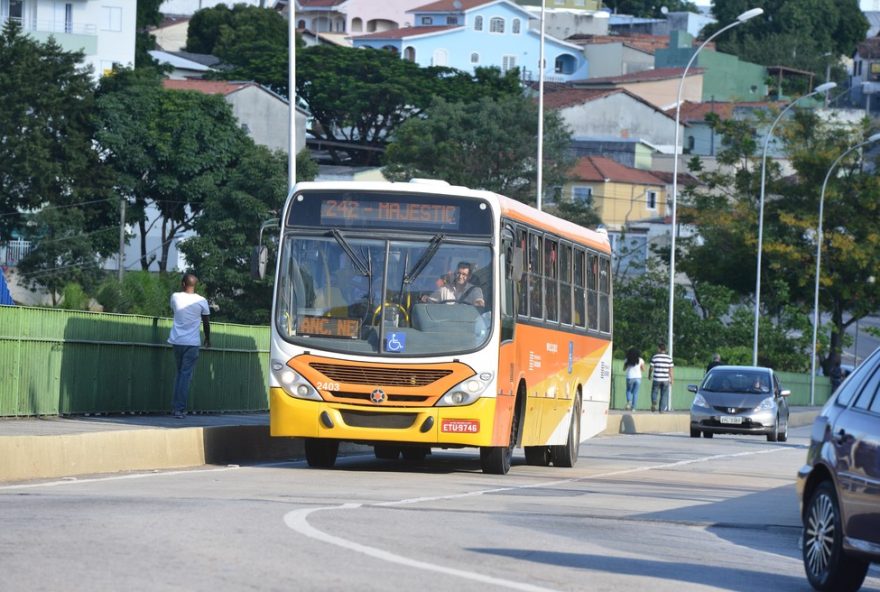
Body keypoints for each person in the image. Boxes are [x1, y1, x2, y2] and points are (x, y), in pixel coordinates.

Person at [168, 273, 211, 419]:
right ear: (195, 285)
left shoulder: (175, 297)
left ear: (183, 284)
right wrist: (207, 339)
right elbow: (206, 322)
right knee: (185, 376)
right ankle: (179, 409)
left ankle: (175, 407)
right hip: (192, 343)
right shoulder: (202, 301)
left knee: (179, 374)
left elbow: (174, 310)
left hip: (177, 341)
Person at [648, 341, 674, 413]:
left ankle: (654, 401)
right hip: (665, 379)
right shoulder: (669, 358)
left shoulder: (655, 357)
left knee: (654, 391)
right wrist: (672, 379)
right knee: (664, 394)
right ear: (665, 349)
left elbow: (651, 368)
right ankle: (662, 410)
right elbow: (670, 370)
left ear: (659, 349)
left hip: (657, 378)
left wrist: (649, 375)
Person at [623, 347, 645, 412]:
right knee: (635, 393)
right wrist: (640, 367)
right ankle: (634, 408)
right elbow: (643, 369)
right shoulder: (641, 360)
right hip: (638, 378)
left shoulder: (627, 359)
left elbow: (624, 369)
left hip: (630, 377)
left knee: (628, 390)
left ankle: (629, 401)